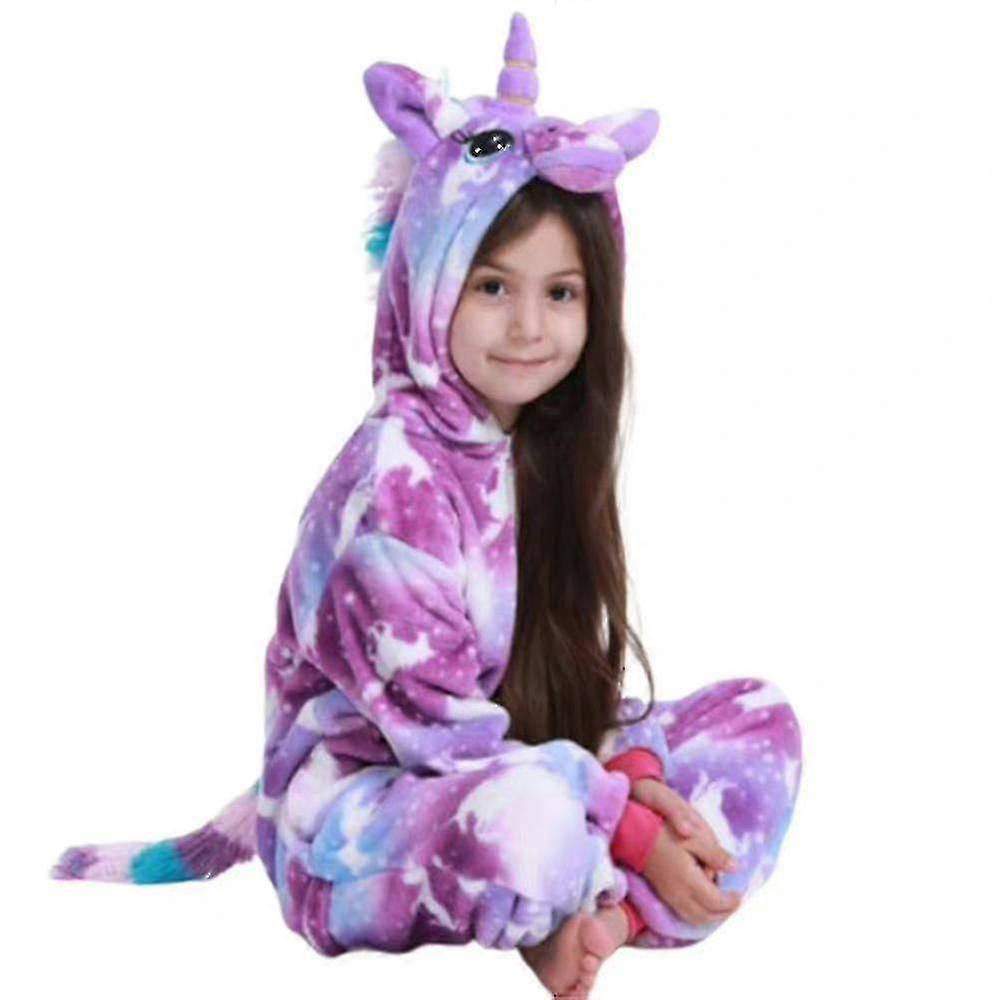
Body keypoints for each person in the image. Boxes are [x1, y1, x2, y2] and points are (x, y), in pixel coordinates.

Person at [49, 12, 802, 999]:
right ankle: (569, 893)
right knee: (533, 824)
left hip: (519, 751)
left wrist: (641, 779)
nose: (528, 327)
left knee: (760, 723)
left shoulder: (538, 448)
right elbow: (443, 740)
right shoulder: (390, 488)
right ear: (426, 278)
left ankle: (605, 915)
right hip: (368, 808)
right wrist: (626, 820)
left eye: (562, 292)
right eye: (492, 286)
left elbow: (550, 698)